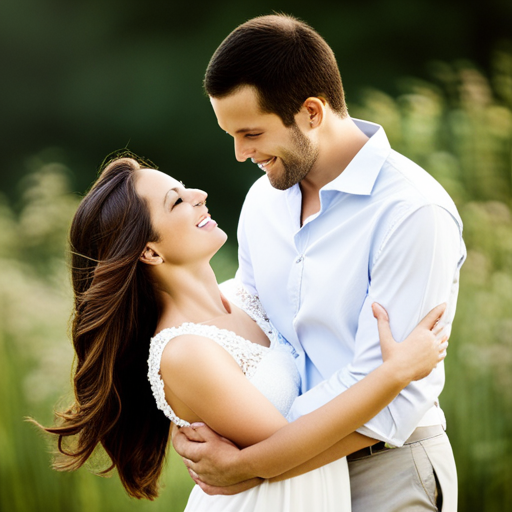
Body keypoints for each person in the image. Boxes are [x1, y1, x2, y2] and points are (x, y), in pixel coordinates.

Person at [35, 155, 448, 511]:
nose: (199, 194)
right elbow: (289, 447)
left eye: (185, 188)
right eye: (177, 200)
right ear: (150, 251)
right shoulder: (183, 352)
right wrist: (395, 373)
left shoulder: (244, 296)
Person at [172, 13, 466, 512]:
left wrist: (251, 462)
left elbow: (391, 394)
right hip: (285, 481)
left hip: (384, 470)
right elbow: (258, 326)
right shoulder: (263, 201)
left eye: (251, 133)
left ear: (311, 111)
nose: (241, 154)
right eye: (231, 136)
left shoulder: (413, 212)